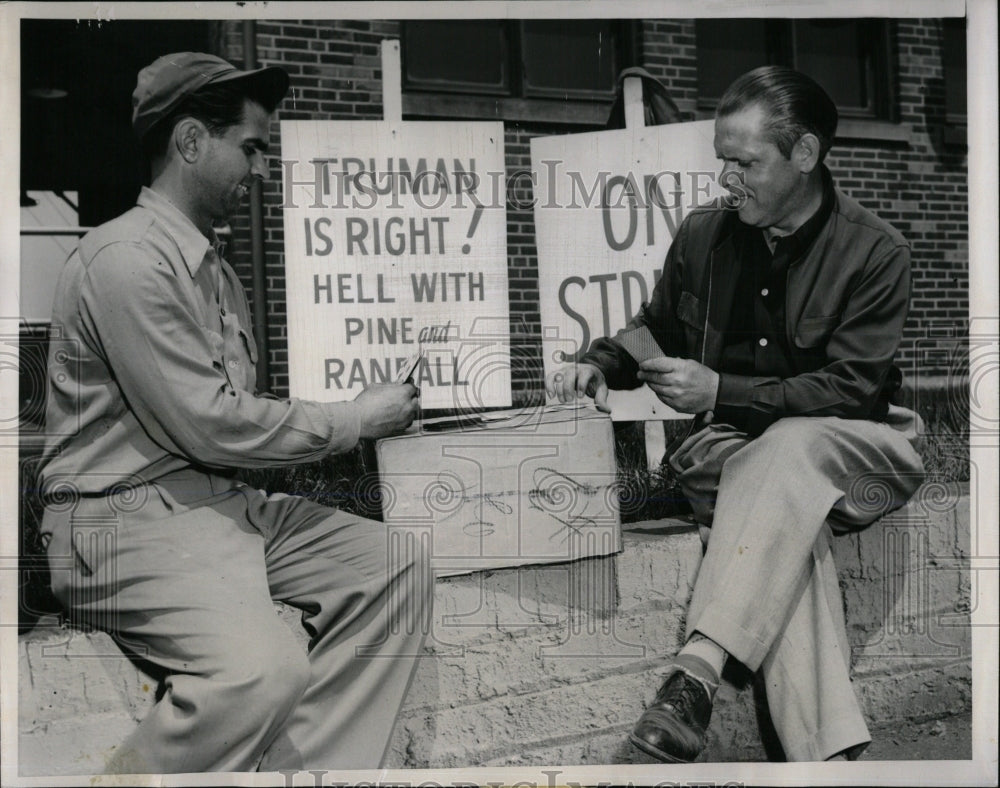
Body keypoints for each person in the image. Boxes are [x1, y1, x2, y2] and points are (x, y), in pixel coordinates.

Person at [37, 52, 428, 774]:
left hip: (215, 506)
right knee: (261, 671)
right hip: (122, 520)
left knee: (394, 565)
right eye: (250, 147)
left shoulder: (211, 271)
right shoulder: (125, 259)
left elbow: (227, 428)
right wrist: (354, 419)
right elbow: (210, 422)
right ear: (190, 143)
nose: (262, 167)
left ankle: (301, 772)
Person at [546, 65, 925, 763]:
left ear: (805, 154)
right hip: (743, 467)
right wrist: (598, 365)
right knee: (785, 528)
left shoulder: (876, 252)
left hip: (862, 453)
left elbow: (848, 391)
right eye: (723, 159)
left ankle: (697, 670)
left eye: (744, 162)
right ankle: (828, 762)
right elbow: (655, 328)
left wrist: (720, 392)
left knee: (788, 452)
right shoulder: (704, 236)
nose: (726, 179)